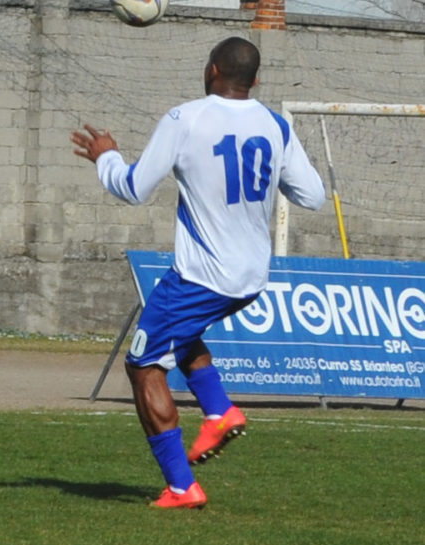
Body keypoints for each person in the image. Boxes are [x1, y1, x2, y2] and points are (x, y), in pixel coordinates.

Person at [71, 37, 325, 508]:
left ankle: (182, 487)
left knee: (143, 366)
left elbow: (133, 188)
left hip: (204, 275)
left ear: (211, 70)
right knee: (179, 336)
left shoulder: (184, 118)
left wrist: (105, 155)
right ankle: (219, 411)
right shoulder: (274, 124)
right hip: (251, 274)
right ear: (256, 79)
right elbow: (312, 196)